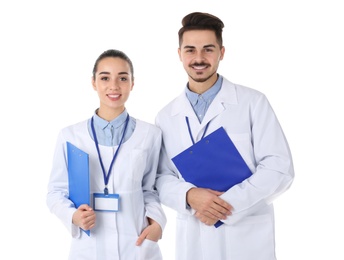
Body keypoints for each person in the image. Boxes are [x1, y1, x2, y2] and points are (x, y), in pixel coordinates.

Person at [155, 12, 294, 260]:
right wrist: (188, 196)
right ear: (179, 55)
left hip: (246, 238)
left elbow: (279, 167)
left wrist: (226, 204)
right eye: (190, 50)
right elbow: (160, 177)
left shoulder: (253, 102)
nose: (199, 58)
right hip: (194, 236)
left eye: (208, 49)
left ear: (222, 52)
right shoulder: (166, 116)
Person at [46, 49, 166, 260]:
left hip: (136, 244)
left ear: (132, 83)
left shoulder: (150, 135)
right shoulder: (71, 136)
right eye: (105, 78)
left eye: (122, 78)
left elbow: (151, 189)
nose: (114, 85)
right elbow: (55, 192)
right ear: (93, 83)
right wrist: (73, 216)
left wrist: (157, 222)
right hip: (89, 246)